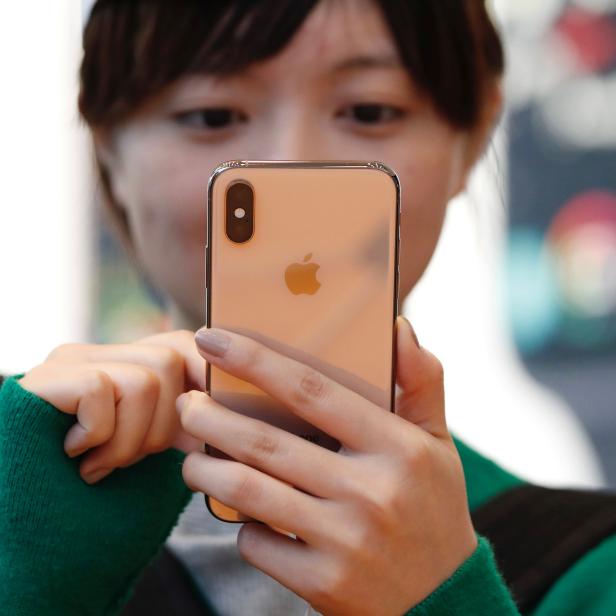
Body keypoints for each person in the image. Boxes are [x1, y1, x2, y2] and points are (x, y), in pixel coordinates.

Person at [1, 1, 615, 615]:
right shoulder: (14, 482)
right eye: (212, 114)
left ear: (474, 136)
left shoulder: (592, 573)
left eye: (369, 111)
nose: (288, 162)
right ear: (107, 150)